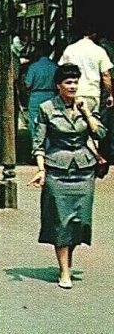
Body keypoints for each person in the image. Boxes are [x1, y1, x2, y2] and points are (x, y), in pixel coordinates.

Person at [29, 63, 107, 289]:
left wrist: (85, 112)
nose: (72, 86)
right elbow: (39, 143)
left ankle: (68, 261)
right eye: (68, 82)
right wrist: (41, 170)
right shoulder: (46, 108)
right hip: (57, 170)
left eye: (75, 82)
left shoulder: (87, 105)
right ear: (58, 86)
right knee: (61, 221)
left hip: (84, 170)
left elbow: (100, 132)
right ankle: (64, 271)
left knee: (79, 223)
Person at [58, 27, 113, 112]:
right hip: (92, 93)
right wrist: (110, 95)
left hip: (72, 93)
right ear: (94, 34)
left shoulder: (69, 49)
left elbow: (61, 71)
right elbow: (106, 75)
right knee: (92, 121)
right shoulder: (99, 50)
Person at [23, 41, 58, 139]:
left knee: (35, 124)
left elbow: (28, 84)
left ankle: (36, 148)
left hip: (36, 97)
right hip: (52, 97)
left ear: (39, 51)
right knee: (51, 123)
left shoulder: (33, 67)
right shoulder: (55, 67)